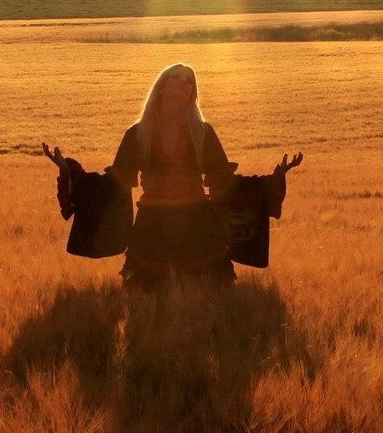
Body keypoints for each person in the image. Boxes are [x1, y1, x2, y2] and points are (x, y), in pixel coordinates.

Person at [44, 63, 302, 291]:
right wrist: (70, 171)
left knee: (207, 293)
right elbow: (116, 182)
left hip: (197, 220)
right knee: (146, 294)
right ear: (162, 87)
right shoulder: (137, 134)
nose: (185, 83)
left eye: (190, 80)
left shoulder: (202, 132)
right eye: (177, 77)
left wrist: (272, 180)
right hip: (152, 223)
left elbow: (223, 181)